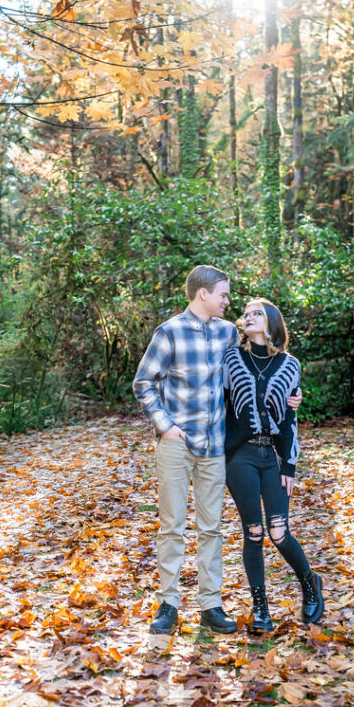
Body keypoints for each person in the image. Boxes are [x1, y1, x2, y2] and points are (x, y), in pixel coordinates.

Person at [133, 265, 241, 635]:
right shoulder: (170, 332)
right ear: (203, 295)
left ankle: (211, 605)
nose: (228, 301)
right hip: (177, 446)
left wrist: (288, 394)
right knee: (172, 527)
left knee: (212, 528)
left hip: (214, 446)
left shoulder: (229, 334)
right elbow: (143, 382)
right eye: (223, 294)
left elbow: (244, 380)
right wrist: (166, 427)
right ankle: (169, 605)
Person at [224, 298, 324, 632]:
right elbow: (218, 401)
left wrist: (290, 466)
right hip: (240, 457)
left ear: (271, 322)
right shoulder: (232, 358)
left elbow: (290, 418)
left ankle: (310, 584)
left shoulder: (289, 364)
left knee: (278, 532)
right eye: (246, 314)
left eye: (256, 313)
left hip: (275, 458)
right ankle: (260, 609)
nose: (248, 317)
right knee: (253, 533)